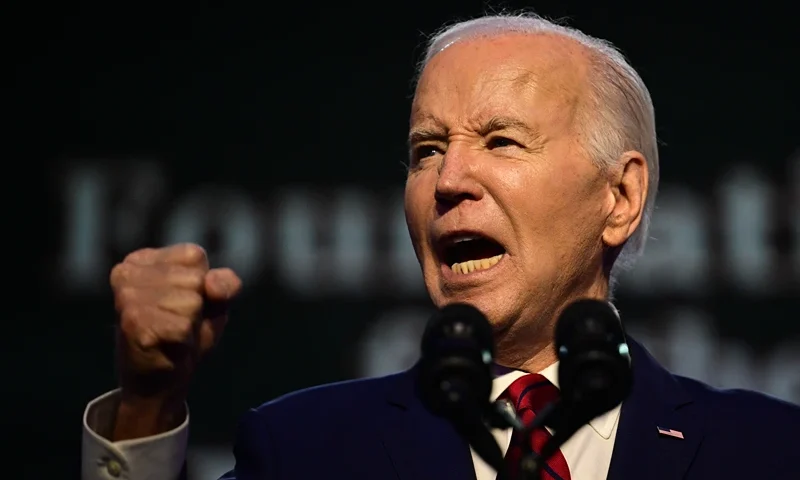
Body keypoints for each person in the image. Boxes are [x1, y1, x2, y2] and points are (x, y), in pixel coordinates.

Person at [81, 13, 800, 480]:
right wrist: (147, 402)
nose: (448, 180)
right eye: (426, 150)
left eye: (501, 141)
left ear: (620, 198)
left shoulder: (768, 453)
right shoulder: (304, 451)